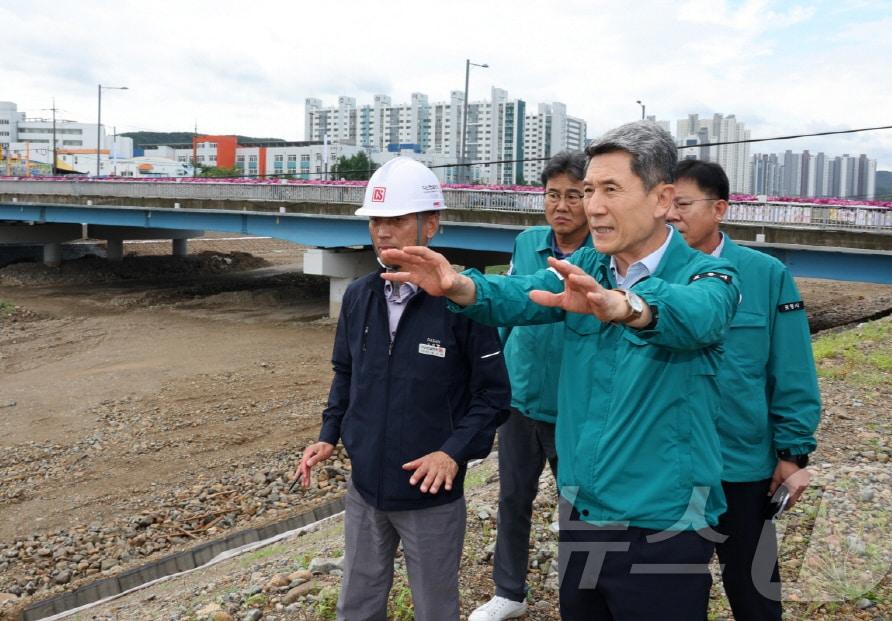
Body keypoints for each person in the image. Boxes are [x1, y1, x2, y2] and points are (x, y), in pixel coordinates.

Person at [381, 121, 739, 620]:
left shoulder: (707, 272)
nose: (592, 206)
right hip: (583, 508)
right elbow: (520, 293)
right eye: (589, 190)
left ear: (662, 199)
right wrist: (460, 286)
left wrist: (628, 306)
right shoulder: (589, 264)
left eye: (610, 190)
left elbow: (699, 313)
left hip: (664, 522)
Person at [294, 156, 510, 621]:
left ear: (430, 224)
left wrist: (452, 452)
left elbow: (493, 397)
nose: (382, 232)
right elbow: (346, 373)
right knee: (357, 604)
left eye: (394, 219)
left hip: (430, 494)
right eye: (376, 220)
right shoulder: (358, 296)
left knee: (435, 609)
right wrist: (329, 435)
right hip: (365, 488)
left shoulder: (464, 301)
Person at [667, 159, 820, 620]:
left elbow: (791, 368)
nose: (671, 215)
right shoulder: (650, 274)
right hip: (672, 466)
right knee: (670, 587)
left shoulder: (766, 274)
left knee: (754, 588)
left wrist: (792, 452)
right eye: (665, 203)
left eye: (683, 204)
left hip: (743, 462)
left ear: (719, 209)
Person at [470, 151, 592, 621]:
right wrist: (494, 376)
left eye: (574, 196)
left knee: (577, 506)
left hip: (573, 405)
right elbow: (508, 308)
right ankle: (509, 592)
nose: (562, 206)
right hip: (520, 397)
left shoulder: (599, 258)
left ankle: (580, 596)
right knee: (513, 497)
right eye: (553, 195)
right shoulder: (527, 243)